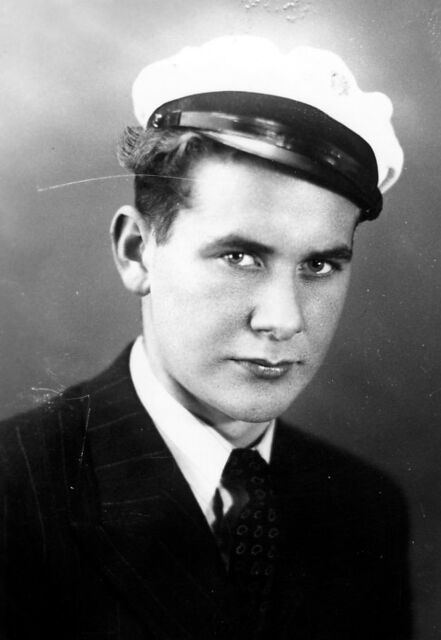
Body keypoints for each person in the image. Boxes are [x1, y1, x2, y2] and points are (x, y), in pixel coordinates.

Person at [0, 36, 411, 639]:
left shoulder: (365, 507)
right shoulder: (14, 493)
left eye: (319, 265)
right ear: (137, 251)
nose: (284, 320)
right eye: (240, 256)